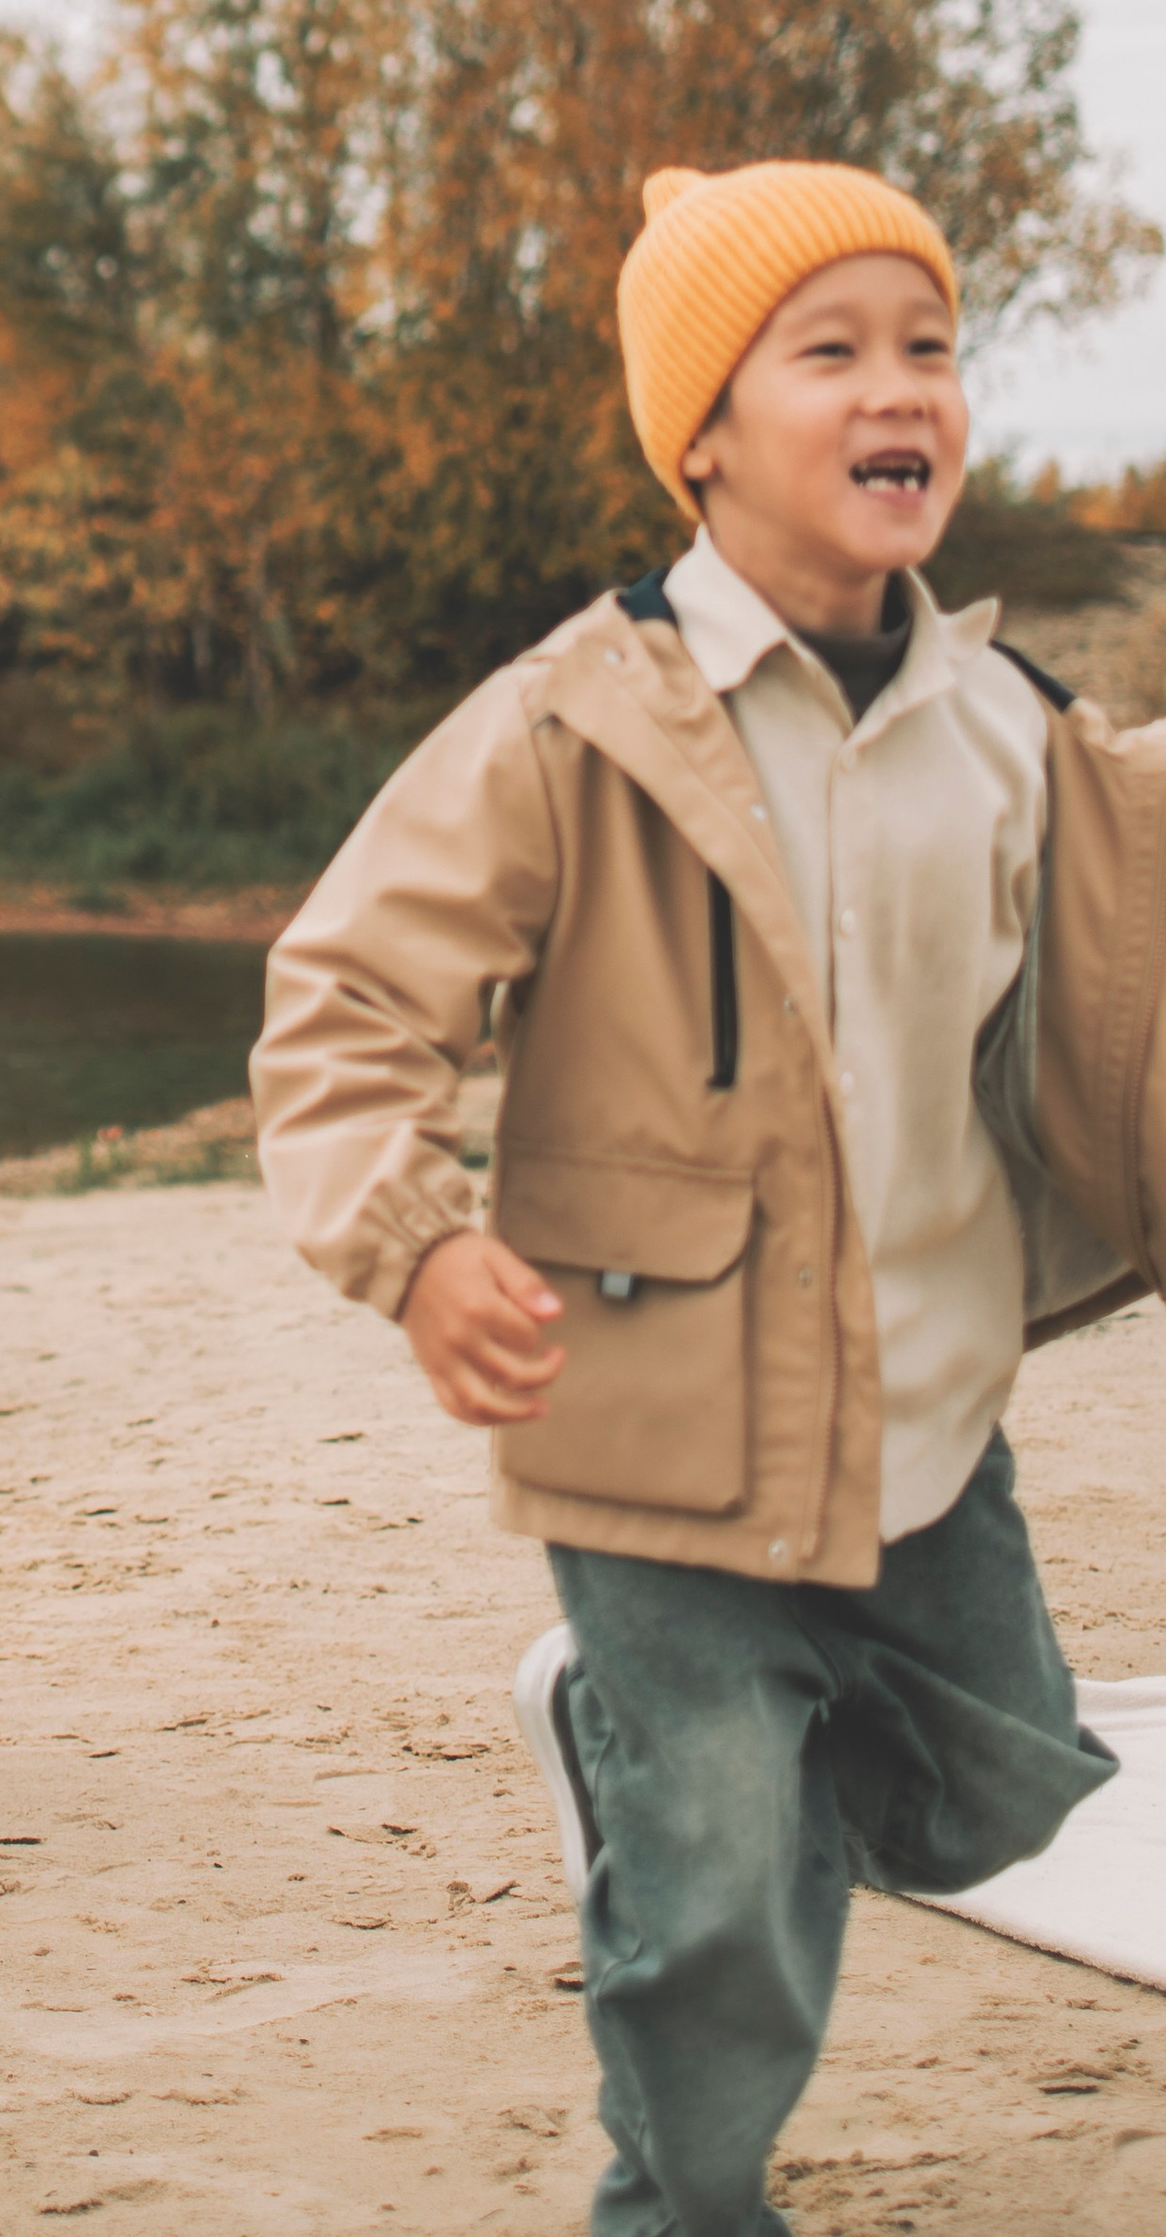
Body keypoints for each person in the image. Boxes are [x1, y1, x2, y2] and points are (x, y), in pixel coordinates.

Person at [252, 159, 1166, 2237]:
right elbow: (346, 997)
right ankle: (680, 2198)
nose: (899, 387)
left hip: (921, 1399)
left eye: (929, 346)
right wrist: (413, 1242)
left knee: (1003, 1787)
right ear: (702, 437)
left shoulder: (1012, 736)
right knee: (723, 1892)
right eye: (829, 351)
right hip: (648, 1406)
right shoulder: (572, 722)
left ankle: (622, 1740)